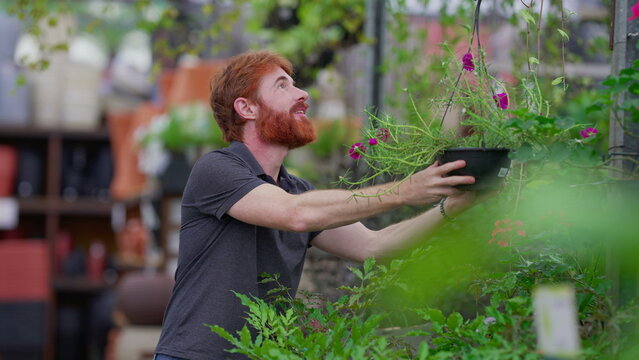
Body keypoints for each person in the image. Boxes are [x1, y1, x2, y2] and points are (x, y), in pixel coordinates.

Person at [154, 50, 476, 360]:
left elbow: (375, 245)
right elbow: (295, 215)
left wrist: (452, 206)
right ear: (246, 108)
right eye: (283, 85)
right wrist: (405, 191)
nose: (303, 93)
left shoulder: (295, 190)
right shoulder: (216, 169)